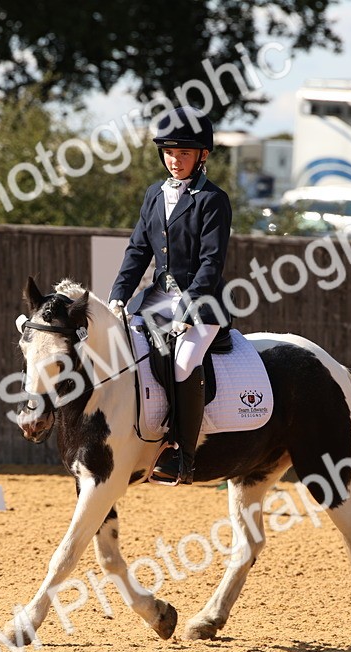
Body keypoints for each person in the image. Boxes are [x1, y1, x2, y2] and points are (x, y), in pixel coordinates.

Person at [108, 106, 232, 485]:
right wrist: (118, 295)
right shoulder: (154, 195)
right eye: (169, 152)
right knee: (125, 350)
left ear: (202, 155)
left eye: (184, 153)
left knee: (183, 362)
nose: (175, 160)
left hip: (202, 303)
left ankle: (183, 456)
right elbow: (137, 250)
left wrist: (188, 307)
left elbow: (211, 262)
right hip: (158, 299)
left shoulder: (213, 200)